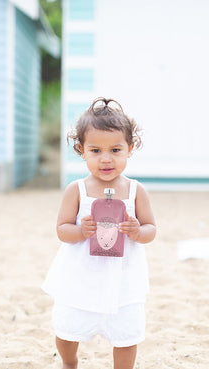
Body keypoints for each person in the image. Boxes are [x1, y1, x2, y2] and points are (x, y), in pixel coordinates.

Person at [42, 97, 156, 369]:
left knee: (126, 336)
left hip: (123, 281)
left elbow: (151, 228)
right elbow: (62, 229)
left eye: (115, 150)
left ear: (130, 148)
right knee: (68, 330)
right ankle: (69, 362)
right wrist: (81, 230)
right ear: (82, 150)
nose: (106, 159)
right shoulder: (77, 190)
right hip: (81, 276)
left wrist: (137, 231)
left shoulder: (135, 190)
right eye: (95, 150)